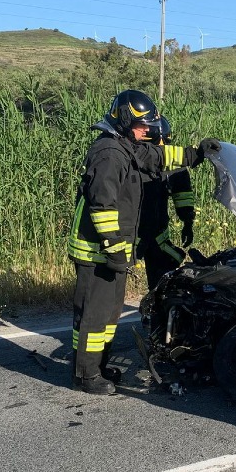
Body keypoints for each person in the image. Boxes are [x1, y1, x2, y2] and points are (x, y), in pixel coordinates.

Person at [67, 89, 218, 394]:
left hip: (112, 250)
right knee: (95, 315)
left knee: (108, 316)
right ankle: (85, 376)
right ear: (124, 119)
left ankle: (97, 366)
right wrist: (112, 248)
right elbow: (102, 205)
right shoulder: (109, 153)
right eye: (142, 125)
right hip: (98, 250)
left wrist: (198, 154)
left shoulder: (128, 146)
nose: (147, 131)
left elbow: (164, 157)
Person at [137, 115, 199, 291]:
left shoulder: (174, 162)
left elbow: (183, 194)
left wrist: (188, 221)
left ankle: (160, 311)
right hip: (137, 233)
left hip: (155, 234)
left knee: (161, 281)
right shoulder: (135, 159)